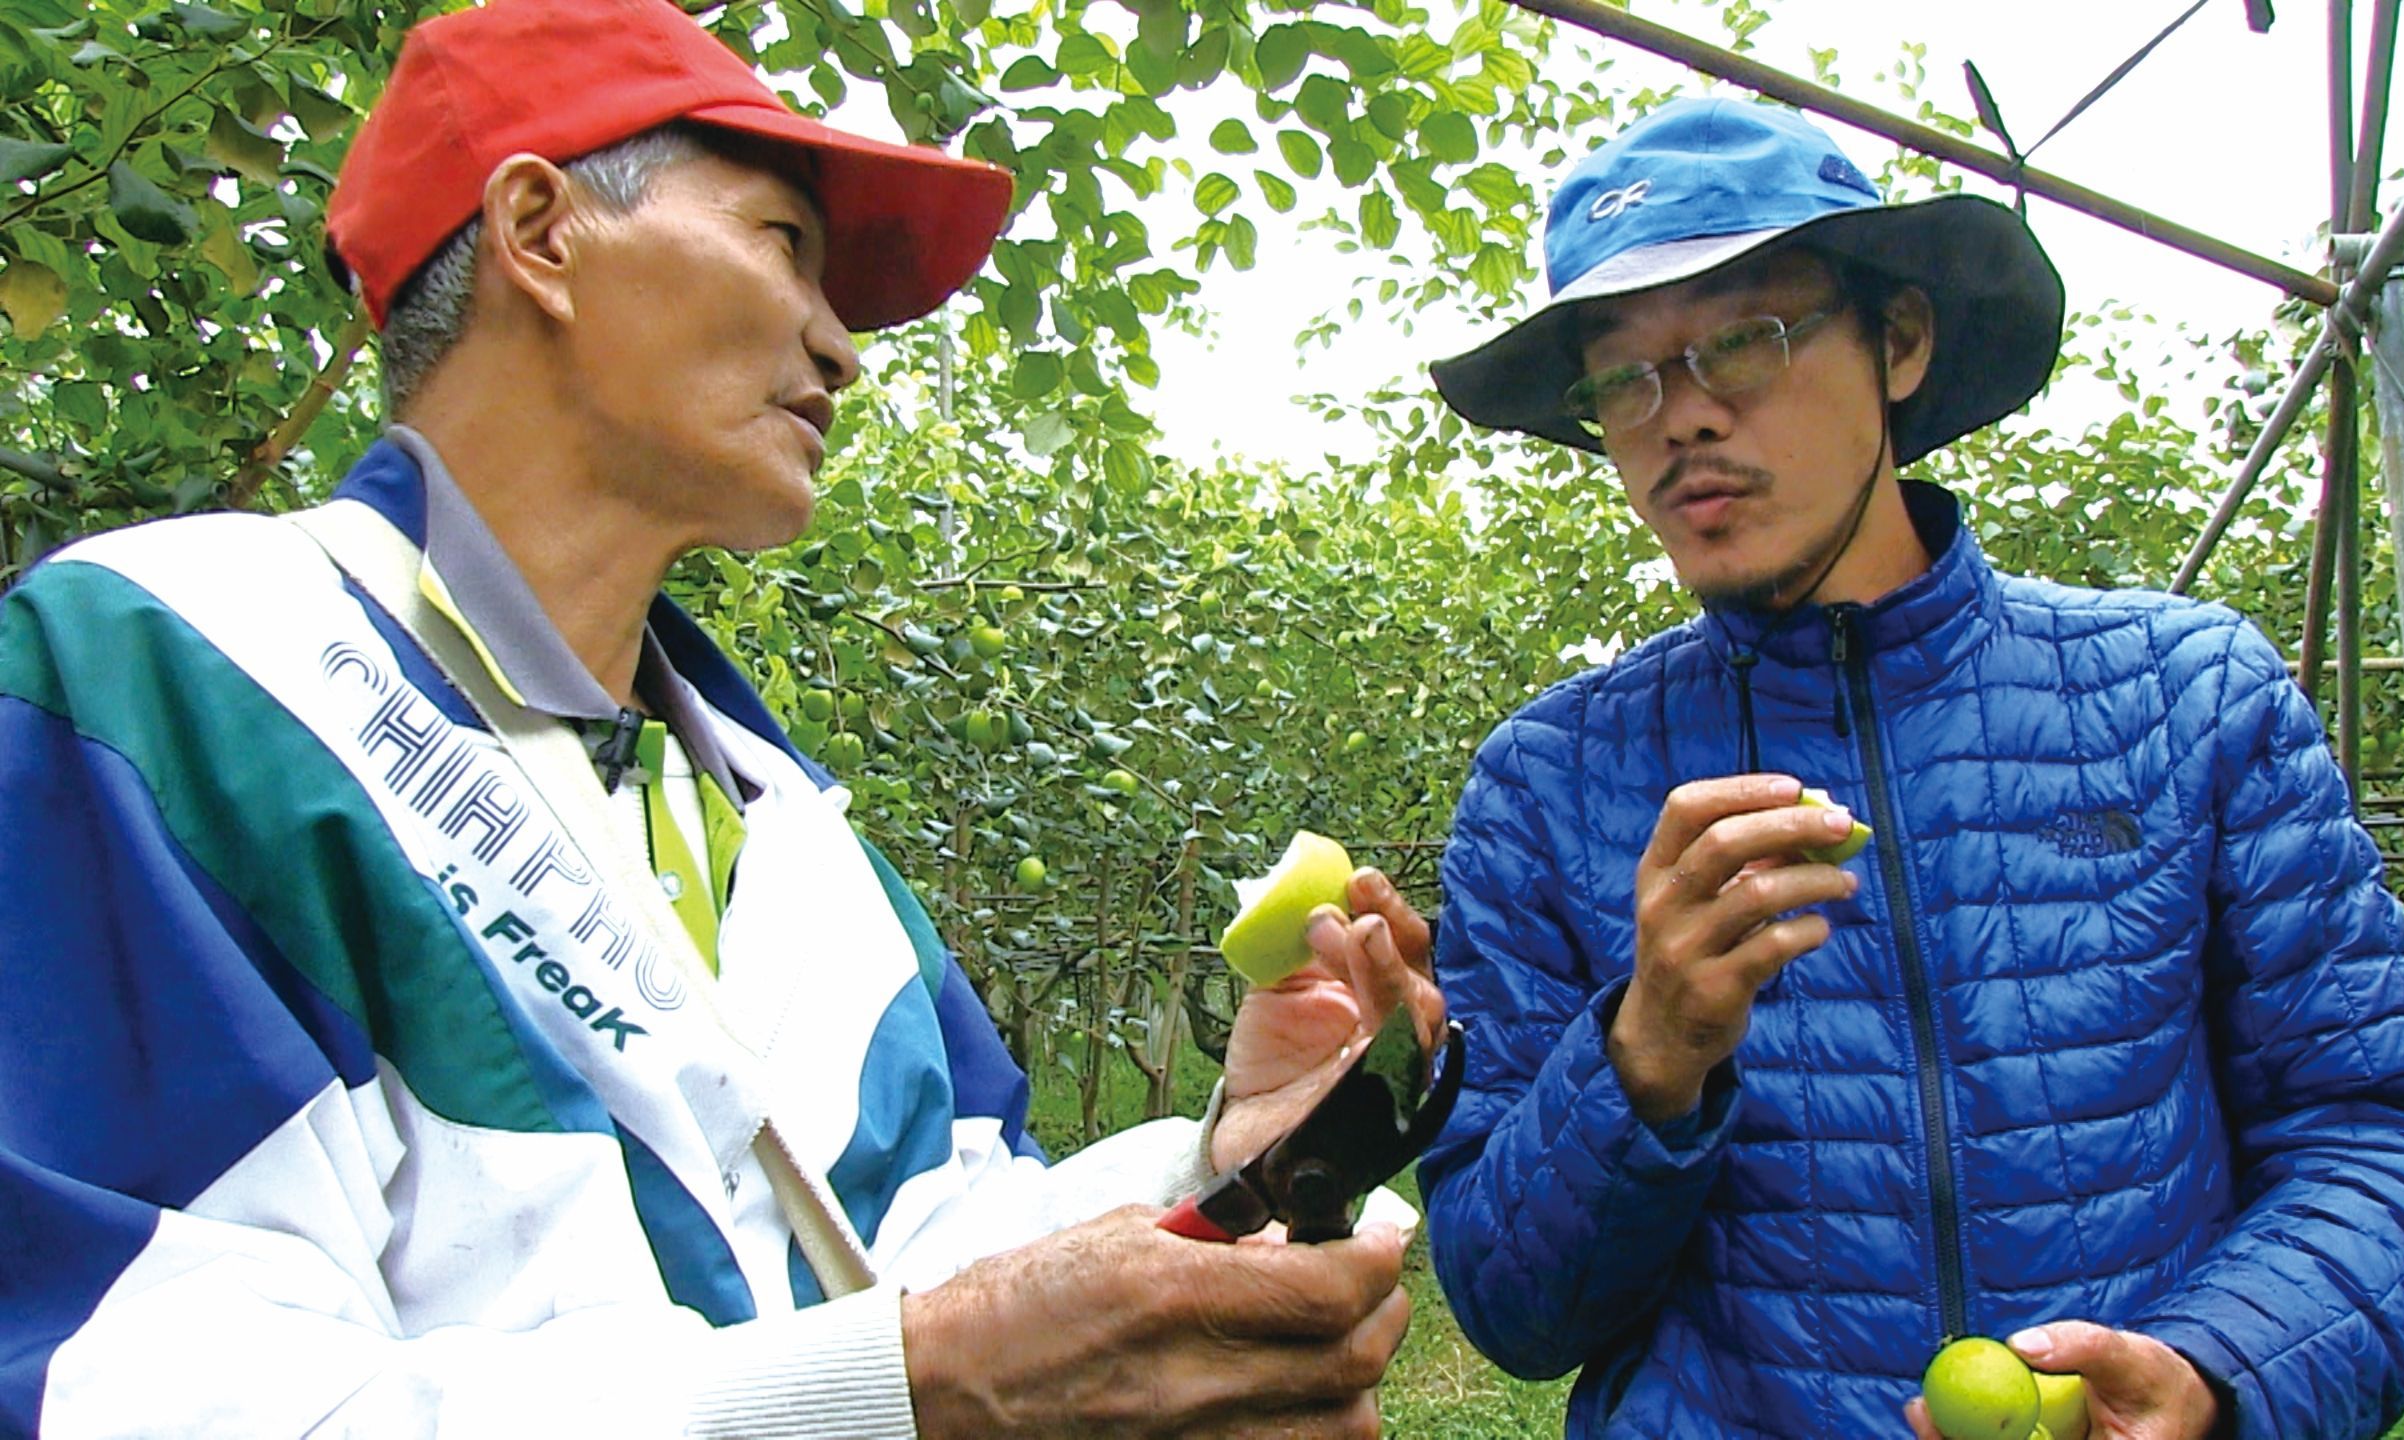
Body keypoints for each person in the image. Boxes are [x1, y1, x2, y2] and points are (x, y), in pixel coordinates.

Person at [0, 1, 1441, 1434]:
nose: (842, 347)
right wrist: (907, 1388)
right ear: (542, 230)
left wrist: (1222, 1169)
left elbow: (929, 1255)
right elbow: (123, 1382)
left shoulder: (784, 822)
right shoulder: (185, 672)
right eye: (786, 247)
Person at [1414, 96, 2404, 1439]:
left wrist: (2218, 1374)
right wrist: (1646, 1056)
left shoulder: (2182, 700)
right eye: (1625, 377)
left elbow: (2382, 1129)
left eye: (1742, 342)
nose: (1678, 419)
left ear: (1899, 341)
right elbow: (1513, 1308)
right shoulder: (1550, 786)